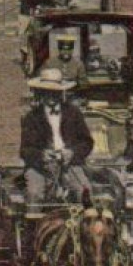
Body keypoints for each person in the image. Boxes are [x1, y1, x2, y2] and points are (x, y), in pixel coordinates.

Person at [20, 68, 94, 203]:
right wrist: (42, 155)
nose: (51, 96)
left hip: (70, 165)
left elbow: (87, 143)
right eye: (47, 92)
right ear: (40, 93)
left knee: (84, 191)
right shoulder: (31, 117)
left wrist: (71, 153)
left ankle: (85, 223)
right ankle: (32, 224)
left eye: (55, 92)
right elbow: (25, 150)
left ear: (61, 92)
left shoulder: (74, 113)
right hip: (40, 168)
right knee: (33, 193)